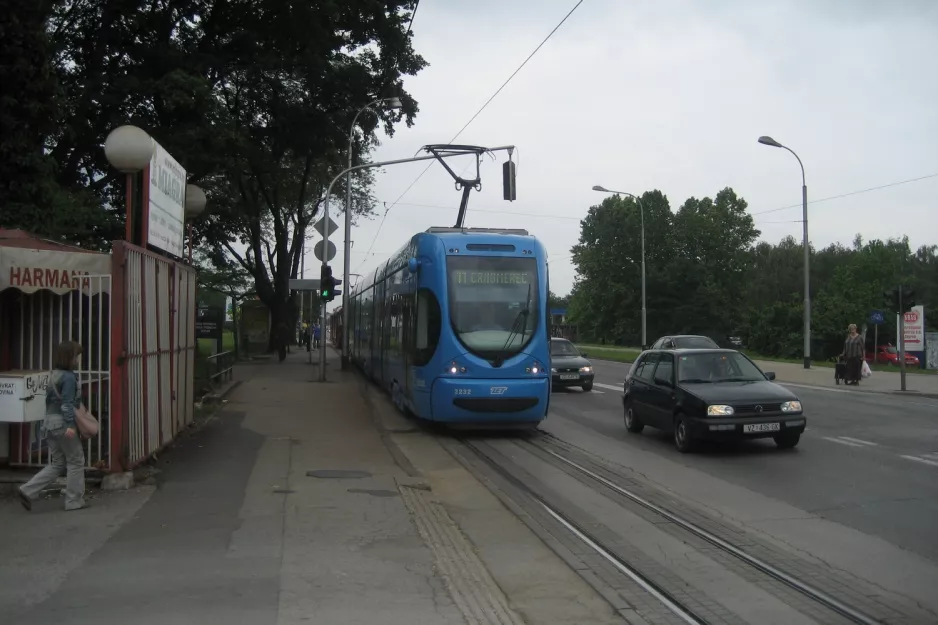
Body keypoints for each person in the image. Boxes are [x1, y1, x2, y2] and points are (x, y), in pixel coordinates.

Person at [19, 340, 87, 512]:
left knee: (57, 463)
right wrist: (71, 426)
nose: (78, 360)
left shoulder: (53, 374)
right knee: (76, 460)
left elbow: (50, 402)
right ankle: (73, 501)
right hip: (63, 424)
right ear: (69, 357)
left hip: (49, 423)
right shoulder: (69, 377)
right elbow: (67, 404)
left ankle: (27, 489)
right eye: (76, 356)